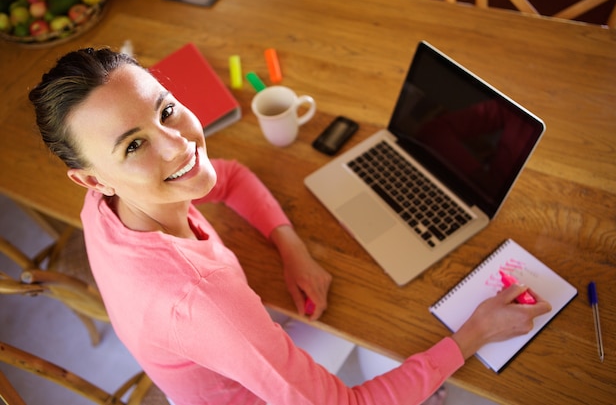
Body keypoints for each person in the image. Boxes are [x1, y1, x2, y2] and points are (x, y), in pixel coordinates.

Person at [29, 47, 552, 405]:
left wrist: (290, 245)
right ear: (91, 179)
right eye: (134, 145)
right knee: (382, 338)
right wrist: (474, 335)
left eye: (165, 110)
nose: (178, 144)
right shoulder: (204, 301)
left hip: (216, 354)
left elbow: (228, 177)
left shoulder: (107, 204)